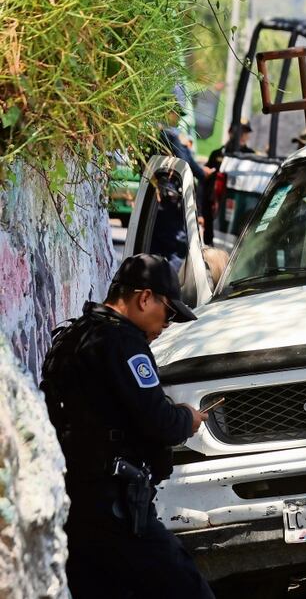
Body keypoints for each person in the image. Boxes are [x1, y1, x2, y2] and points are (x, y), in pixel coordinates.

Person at [40, 254, 214, 599]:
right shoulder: (123, 342)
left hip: (74, 506)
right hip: (115, 509)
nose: (168, 324)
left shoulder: (73, 336)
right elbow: (159, 422)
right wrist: (187, 418)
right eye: (168, 312)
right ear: (144, 298)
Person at [202, 120, 256, 245]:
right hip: (213, 208)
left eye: (246, 133)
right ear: (230, 132)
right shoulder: (217, 154)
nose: (243, 136)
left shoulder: (251, 156)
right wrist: (200, 211)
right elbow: (205, 184)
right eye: (240, 132)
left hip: (238, 211)